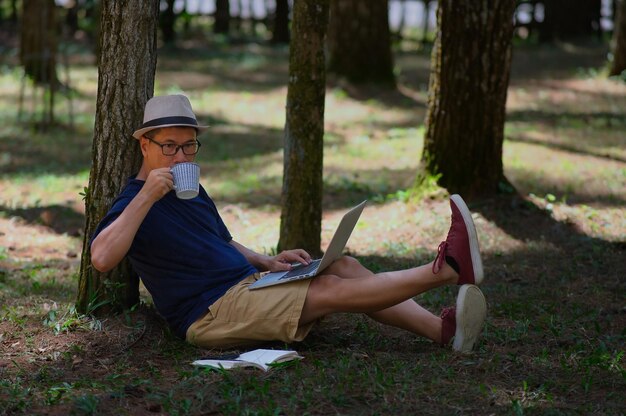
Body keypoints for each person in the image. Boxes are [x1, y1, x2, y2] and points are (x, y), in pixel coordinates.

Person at [90, 94, 488, 353]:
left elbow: (222, 241)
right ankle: (448, 269)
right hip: (210, 312)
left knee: (343, 266)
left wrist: (267, 261)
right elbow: (102, 258)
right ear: (145, 145)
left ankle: (443, 333)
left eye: (189, 145)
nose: (181, 157)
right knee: (329, 286)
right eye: (169, 147)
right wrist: (146, 197)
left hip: (246, 285)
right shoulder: (133, 203)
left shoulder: (190, 189)